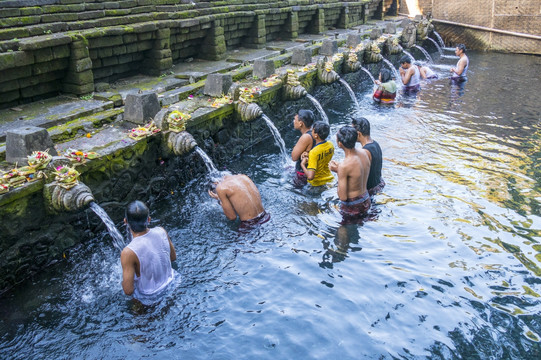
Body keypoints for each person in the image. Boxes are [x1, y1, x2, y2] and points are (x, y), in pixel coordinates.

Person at [121, 201, 177, 305]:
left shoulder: (128, 252)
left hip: (150, 298)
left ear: (125, 221)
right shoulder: (161, 231)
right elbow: (173, 258)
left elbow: (128, 290)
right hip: (172, 283)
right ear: (149, 219)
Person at [328, 126, 371, 223]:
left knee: (344, 235)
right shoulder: (365, 152)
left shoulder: (344, 166)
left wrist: (339, 171)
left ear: (340, 144)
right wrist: (341, 169)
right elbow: (357, 173)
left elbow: (342, 197)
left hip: (353, 207)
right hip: (366, 199)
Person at [351, 117, 385, 196]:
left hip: (370, 191)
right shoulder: (375, 143)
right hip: (379, 184)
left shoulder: (365, 152)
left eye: (353, 132)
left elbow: (358, 177)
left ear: (358, 133)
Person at [300, 121, 334, 187]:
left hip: (317, 184)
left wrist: (303, 164)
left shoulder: (314, 152)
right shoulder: (330, 145)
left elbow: (310, 176)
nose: (311, 131)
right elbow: (323, 154)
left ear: (316, 135)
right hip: (330, 179)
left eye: (312, 130)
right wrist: (309, 155)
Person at [291, 109, 316, 187]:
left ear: (301, 123)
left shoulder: (306, 137)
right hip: (312, 169)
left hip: (303, 174)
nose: (293, 121)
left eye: (295, 119)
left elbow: (294, 157)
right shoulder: (314, 132)